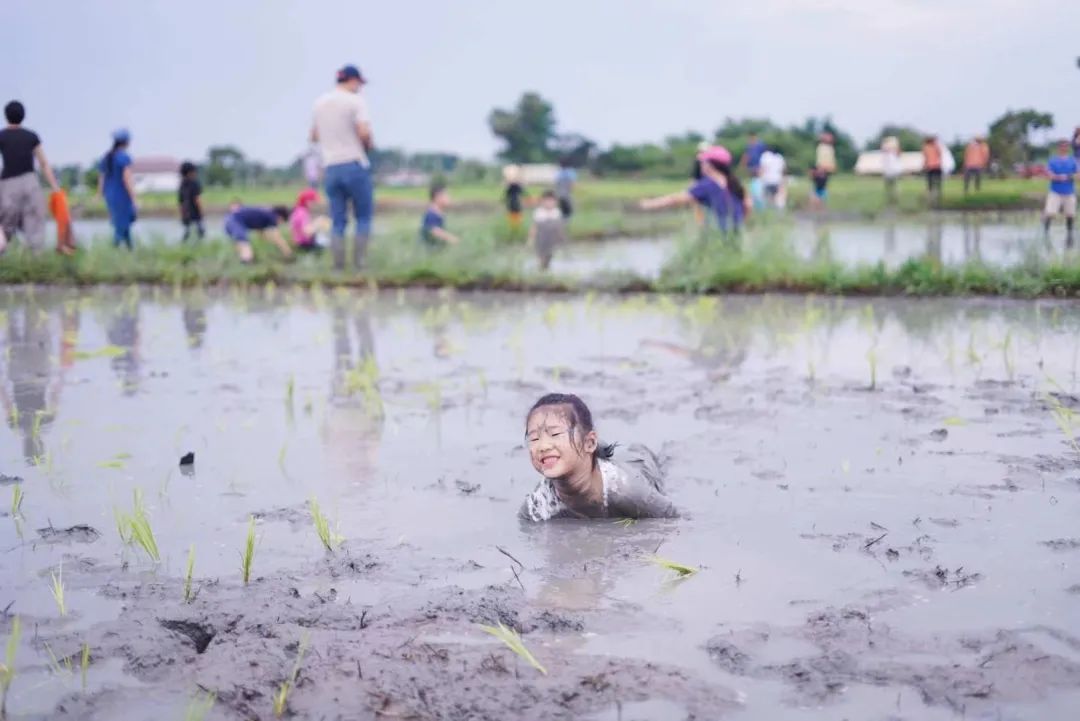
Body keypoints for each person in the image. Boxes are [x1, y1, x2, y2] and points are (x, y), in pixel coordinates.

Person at [518, 393, 678, 521]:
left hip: (641, 464)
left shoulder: (625, 490)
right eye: (534, 438)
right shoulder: (539, 505)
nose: (543, 446)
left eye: (555, 434)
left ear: (589, 442)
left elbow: (672, 520)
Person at [311, 64, 374, 271]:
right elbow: (363, 132)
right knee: (363, 217)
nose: (360, 88)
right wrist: (368, 145)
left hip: (331, 167)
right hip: (354, 163)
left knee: (338, 220)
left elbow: (314, 136)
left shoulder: (320, 103)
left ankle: (338, 266)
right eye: (359, 83)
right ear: (353, 81)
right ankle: (360, 264)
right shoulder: (355, 101)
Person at [639, 146, 746, 235]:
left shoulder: (707, 184)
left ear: (711, 165)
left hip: (717, 235)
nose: (701, 166)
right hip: (736, 233)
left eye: (703, 163)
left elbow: (675, 199)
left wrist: (648, 204)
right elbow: (748, 206)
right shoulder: (734, 183)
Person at [0, 100, 59, 253]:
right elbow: (44, 163)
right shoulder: (31, 136)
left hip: (8, 184)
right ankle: (35, 260)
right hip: (30, 182)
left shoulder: (2, 136)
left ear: (6, 116)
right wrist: (55, 188)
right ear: (23, 116)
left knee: (5, 225)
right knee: (35, 225)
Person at [98, 129, 137, 249]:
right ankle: (113, 249)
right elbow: (127, 179)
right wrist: (133, 196)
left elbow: (102, 178)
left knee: (122, 223)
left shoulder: (107, 157)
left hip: (110, 195)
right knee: (121, 225)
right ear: (126, 142)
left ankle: (131, 249)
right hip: (122, 195)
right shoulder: (124, 157)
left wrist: (100, 194)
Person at [223, 204, 293, 263]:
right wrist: (288, 252)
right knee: (246, 249)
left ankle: (242, 263)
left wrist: (274, 244)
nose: (279, 224)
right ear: (280, 217)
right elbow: (277, 237)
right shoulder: (272, 216)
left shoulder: (263, 217)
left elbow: (262, 235)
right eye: (282, 222)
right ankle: (247, 265)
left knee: (241, 245)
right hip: (235, 221)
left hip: (229, 220)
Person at [1044, 139, 1077, 247]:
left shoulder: (1073, 161)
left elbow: (1078, 175)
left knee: (1070, 214)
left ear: (1068, 148)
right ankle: (1045, 233)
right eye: (1062, 146)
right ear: (1058, 148)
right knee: (1050, 212)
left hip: (1069, 191)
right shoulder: (1053, 161)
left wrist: (1068, 176)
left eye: (1066, 146)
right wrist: (1057, 177)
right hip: (1055, 191)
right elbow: (1048, 174)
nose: (1064, 148)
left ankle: (1070, 235)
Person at [528, 190, 567, 270]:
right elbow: (534, 226)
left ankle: (545, 268)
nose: (549, 203)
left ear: (555, 202)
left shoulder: (557, 212)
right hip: (540, 238)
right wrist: (530, 239)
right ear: (542, 202)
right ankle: (541, 268)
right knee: (541, 255)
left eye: (552, 201)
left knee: (549, 256)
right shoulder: (539, 212)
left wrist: (562, 238)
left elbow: (559, 227)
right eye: (547, 201)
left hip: (551, 239)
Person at [419, 183, 459, 247]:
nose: (449, 198)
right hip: (430, 249)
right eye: (447, 196)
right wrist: (452, 239)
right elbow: (435, 231)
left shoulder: (437, 213)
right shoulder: (431, 214)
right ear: (438, 197)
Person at [289, 188, 328, 252]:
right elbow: (307, 233)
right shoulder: (302, 213)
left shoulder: (299, 210)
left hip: (299, 241)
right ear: (308, 201)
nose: (316, 204)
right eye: (314, 201)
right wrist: (318, 223)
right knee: (327, 240)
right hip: (304, 244)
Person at [178, 161, 204, 241]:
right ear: (190, 172)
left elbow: (180, 202)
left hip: (186, 213)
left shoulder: (182, 184)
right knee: (201, 232)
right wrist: (201, 212)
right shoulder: (195, 183)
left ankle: (184, 247)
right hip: (195, 213)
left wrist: (182, 214)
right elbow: (197, 199)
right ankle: (198, 247)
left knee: (187, 232)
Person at [811, 132, 837, 209]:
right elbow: (821, 161)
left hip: (825, 171)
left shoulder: (829, 148)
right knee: (819, 189)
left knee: (822, 189)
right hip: (822, 171)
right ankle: (817, 206)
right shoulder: (822, 148)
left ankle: (820, 205)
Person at [503, 165, 526, 230]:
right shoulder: (514, 186)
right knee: (513, 217)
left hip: (515, 203)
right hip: (513, 203)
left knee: (516, 218)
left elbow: (506, 195)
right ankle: (514, 228)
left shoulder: (514, 186)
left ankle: (515, 228)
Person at [881, 136, 902, 206]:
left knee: (890, 186)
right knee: (893, 185)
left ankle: (892, 199)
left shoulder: (889, 151)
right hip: (892, 170)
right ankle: (893, 199)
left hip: (890, 170)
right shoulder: (893, 151)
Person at [922, 135, 943, 207]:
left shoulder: (926, 147)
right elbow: (940, 154)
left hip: (931, 166)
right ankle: (935, 197)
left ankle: (933, 197)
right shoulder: (936, 146)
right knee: (936, 183)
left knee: (931, 184)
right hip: (935, 166)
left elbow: (925, 157)